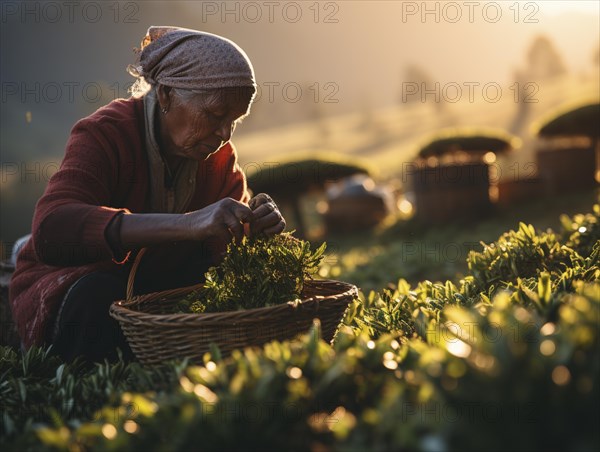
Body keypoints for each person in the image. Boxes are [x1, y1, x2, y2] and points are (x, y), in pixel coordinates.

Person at [9, 26, 286, 363]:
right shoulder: (105, 134)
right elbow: (52, 228)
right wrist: (186, 224)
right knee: (98, 300)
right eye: (215, 114)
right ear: (167, 94)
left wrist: (253, 227)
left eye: (235, 120)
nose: (225, 134)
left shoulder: (220, 160)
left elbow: (220, 251)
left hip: (152, 290)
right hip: (81, 284)